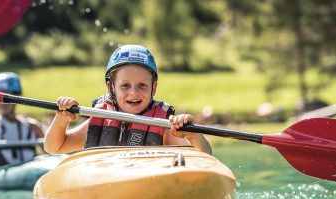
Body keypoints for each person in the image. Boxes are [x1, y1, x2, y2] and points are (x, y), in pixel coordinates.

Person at [44, 44, 212, 155]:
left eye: (142, 85)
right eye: (125, 85)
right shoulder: (101, 119)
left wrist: (194, 136)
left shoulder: (165, 127)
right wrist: (61, 120)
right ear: (111, 87)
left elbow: (203, 157)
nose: (134, 92)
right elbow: (53, 147)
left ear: (153, 87)